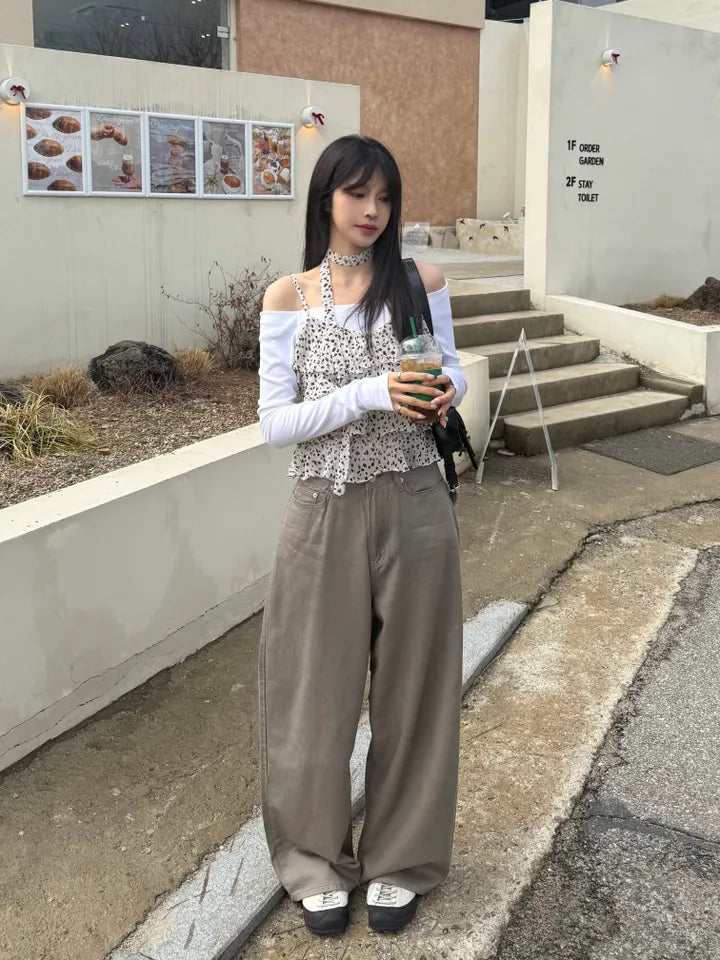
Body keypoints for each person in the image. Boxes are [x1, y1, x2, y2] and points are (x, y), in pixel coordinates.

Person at [257, 135, 467, 938]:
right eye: (357, 194)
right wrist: (370, 392)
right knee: (312, 691)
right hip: (324, 508)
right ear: (326, 199)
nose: (373, 211)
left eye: (385, 197)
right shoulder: (289, 297)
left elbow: (453, 369)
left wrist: (446, 390)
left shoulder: (420, 281)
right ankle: (314, 861)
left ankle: (401, 861)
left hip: (416, 503)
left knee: (416, 689)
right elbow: (276, 423)